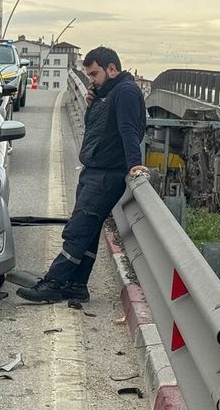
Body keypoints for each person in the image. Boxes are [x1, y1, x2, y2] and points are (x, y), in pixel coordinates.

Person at [16, 46, 148, 303]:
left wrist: (135, 164)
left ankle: (52, 284)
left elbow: (128, 129)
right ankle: (77, 285)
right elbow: (98, 130)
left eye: (95, 74)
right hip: (93, 172)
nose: (91, 80)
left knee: (77, 231)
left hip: (106, 176)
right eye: (88, 75)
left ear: (112, 69)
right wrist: (93, 104)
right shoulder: (106, 94)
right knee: (87, 232)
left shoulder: (126, 92)